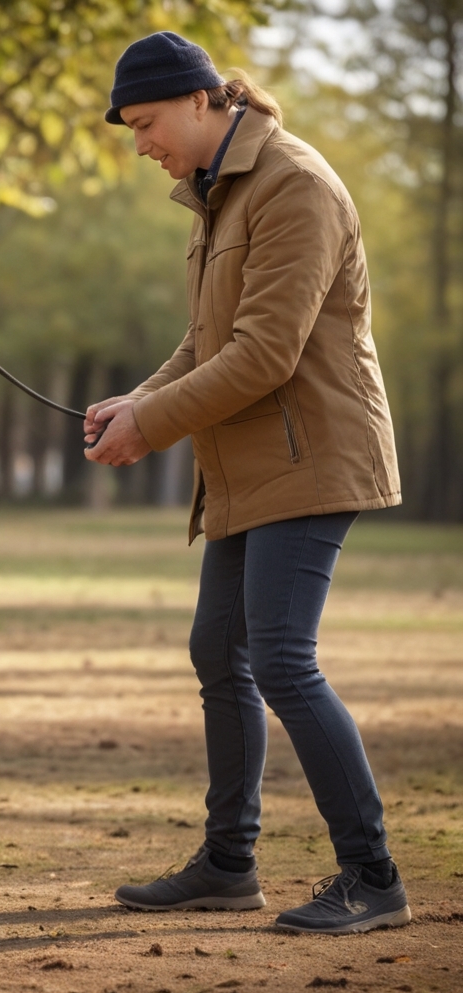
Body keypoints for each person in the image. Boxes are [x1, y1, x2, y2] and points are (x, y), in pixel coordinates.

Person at [86, 31, 409, 934]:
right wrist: (136, 401)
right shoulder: (220, 199)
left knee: (280, 659)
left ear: (201, 101)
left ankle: (374, 875)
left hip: (312, 459)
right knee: (215, 652)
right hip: (245, 464)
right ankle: (230, 863)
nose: (140, 144)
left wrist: (152, 425)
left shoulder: (294, 186)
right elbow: (208, 340)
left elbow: (266, 353)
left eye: (146, 123)